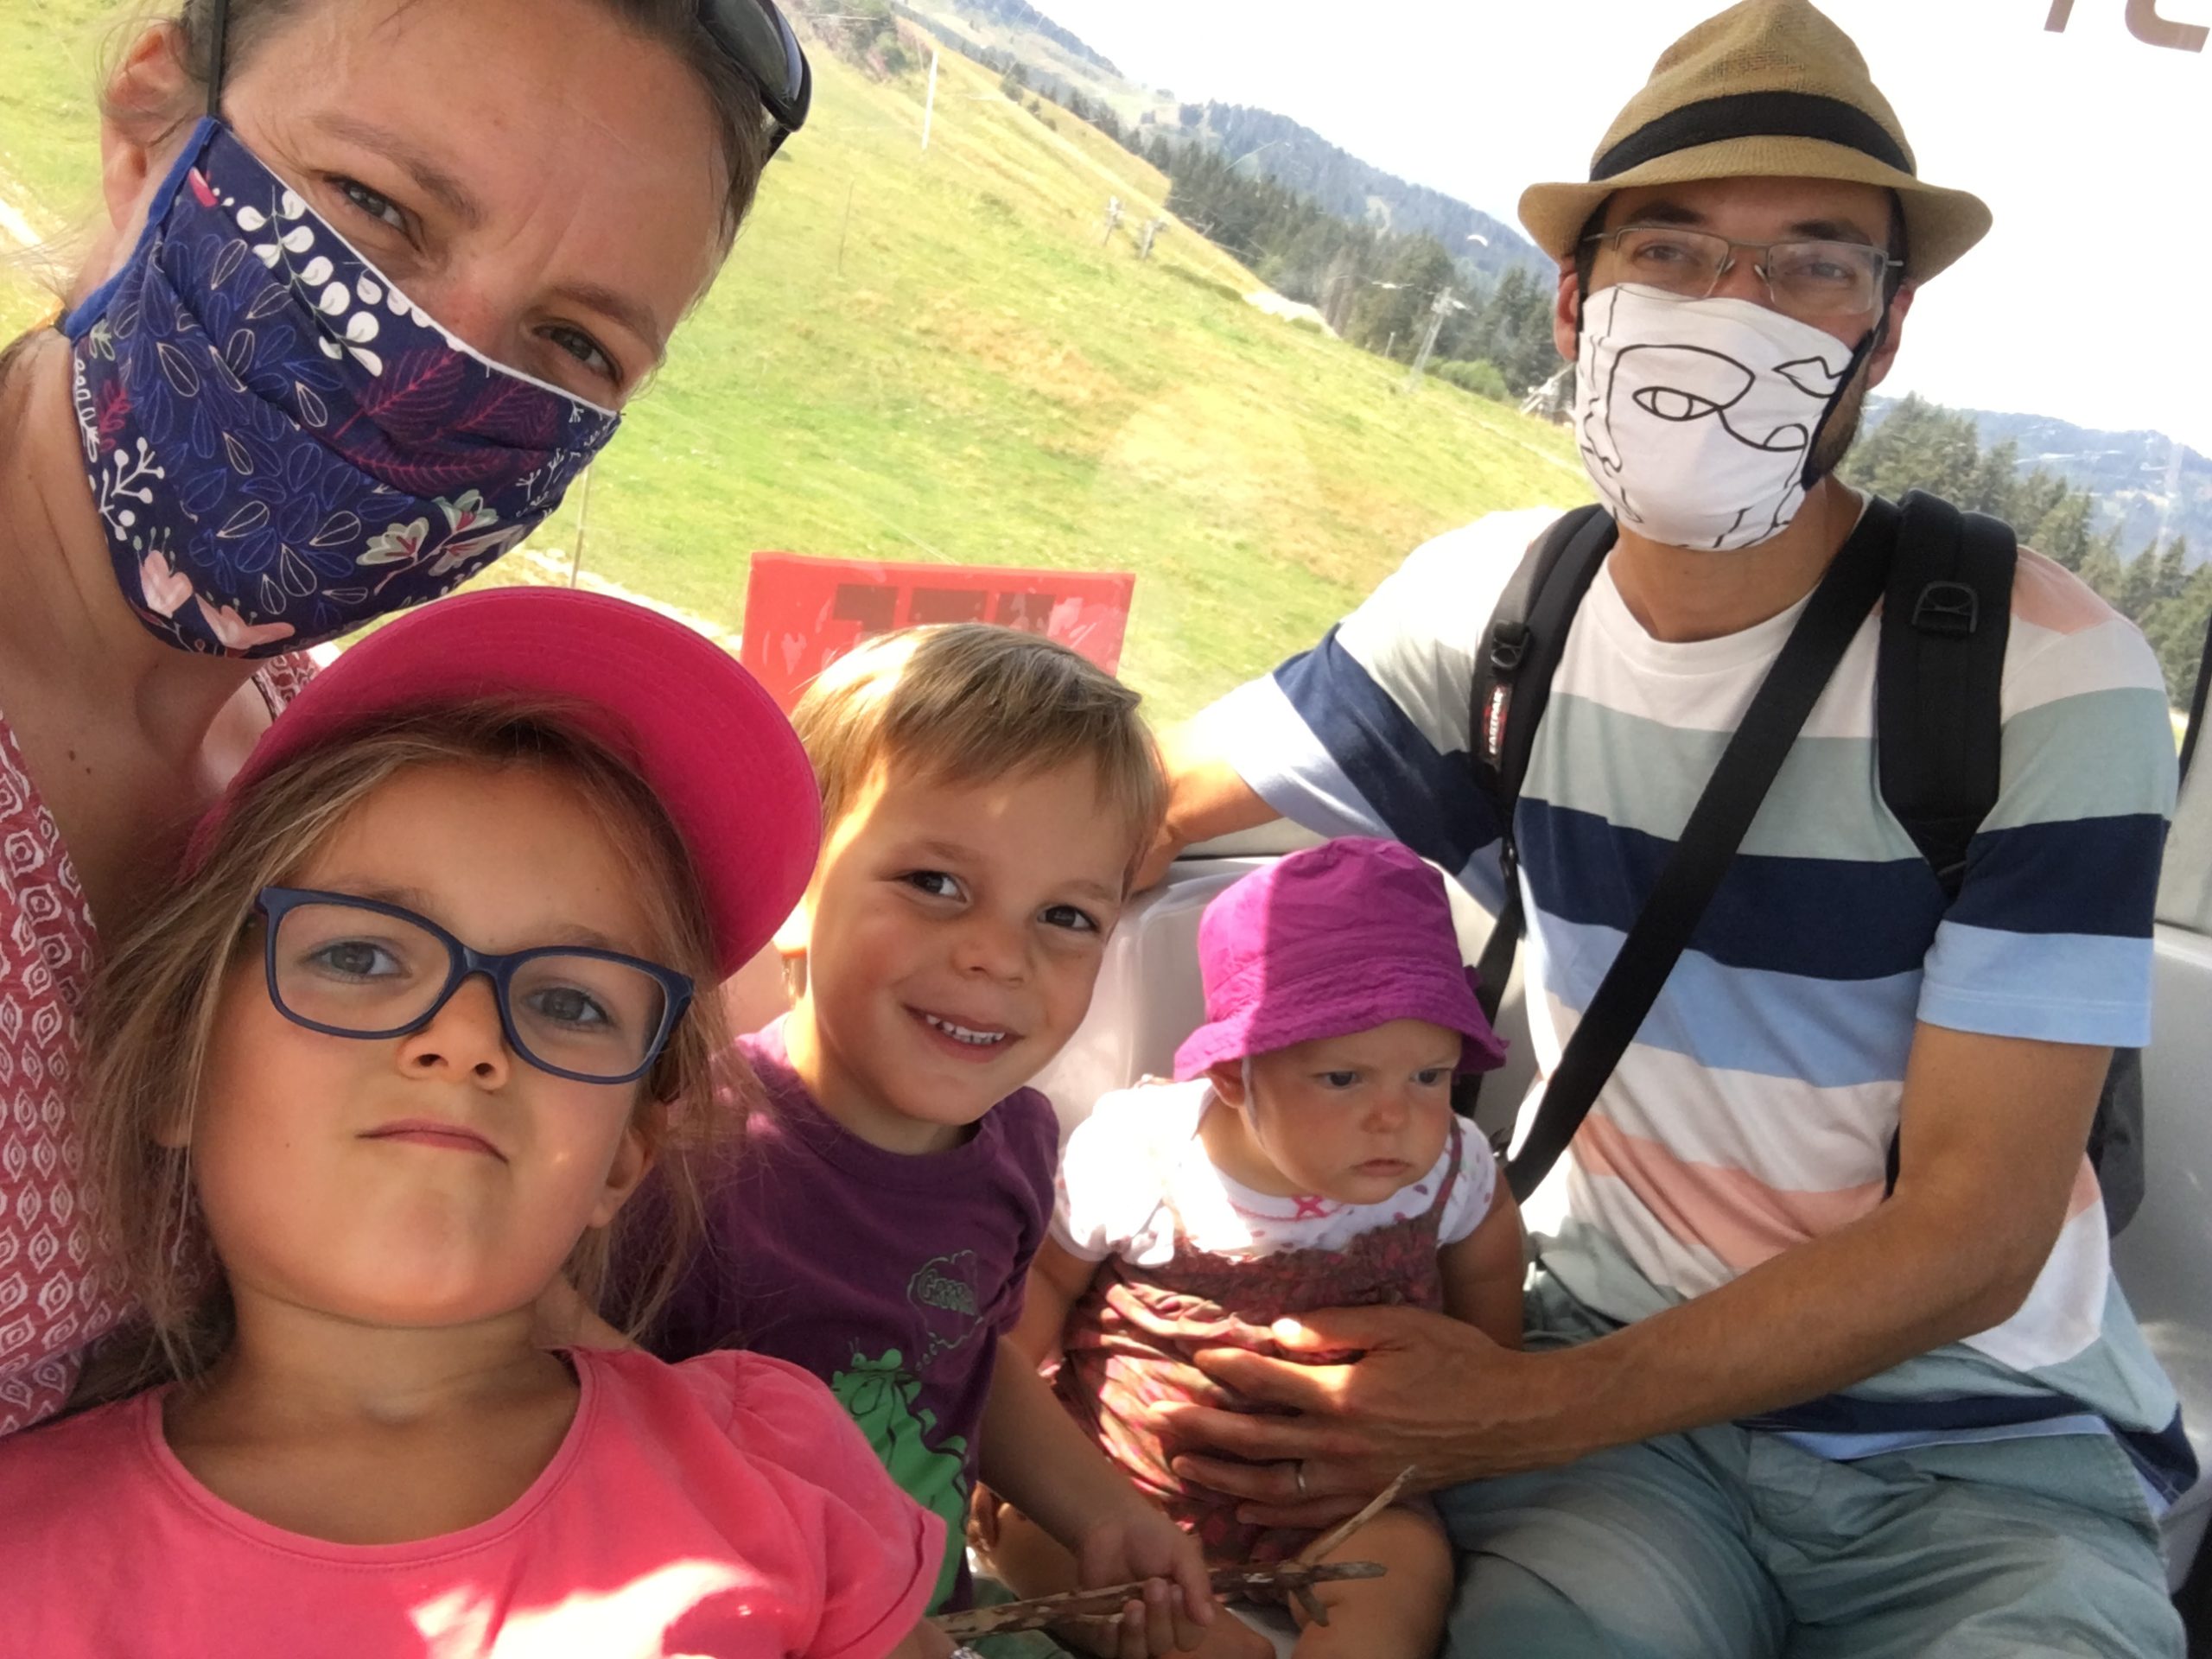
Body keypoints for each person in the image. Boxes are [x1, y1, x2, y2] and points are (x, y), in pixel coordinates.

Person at [1140, 3, 2190, 1655]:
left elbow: (1979, 1235)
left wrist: (1512, 1415)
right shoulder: (1503, 615)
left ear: (1883, 333)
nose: (1732, 311)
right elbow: (1132, 810)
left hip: (1978, 1453)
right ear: (1577, 297)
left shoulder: (2041, 674)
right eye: (1673, 250)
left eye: (1813, 265)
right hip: (1619, 1429)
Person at [0, 0, 810, 1434]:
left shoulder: (322, 767)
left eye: (574, 341)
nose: (431, 373)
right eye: (375, 206)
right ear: (146, 121)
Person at [0, 587, 963, 1657]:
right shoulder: (28, 1561)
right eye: (359, 955)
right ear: (179, 1071)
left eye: (570, 1002)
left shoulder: (771, 1470)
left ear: (625, 1154)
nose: (465, 1038)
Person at [644, 626, 1218, 1658]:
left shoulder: (1018, 1144)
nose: (998, 955)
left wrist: (1102, 1513)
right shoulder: (682, 1163)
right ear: (794, 888)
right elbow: (582, 1443)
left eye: (1066, 916)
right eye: (935, 884)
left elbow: (962, 1363)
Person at [989, 837, 1526, 1659]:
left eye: (1428, 1076)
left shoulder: (1449, 1164)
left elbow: (1487, 1249)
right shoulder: (1145, 1152)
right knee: (1034, 1543)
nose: (1396, 1116)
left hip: (1341, 1502)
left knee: (1405, 1572)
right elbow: (1047, 1282)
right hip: (1125, 1480)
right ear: (1234, 1078)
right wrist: (1009, 1425)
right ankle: (1208, 1646)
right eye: (1343, 1079)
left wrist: (1491, 1375)